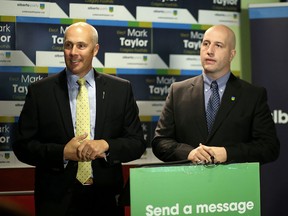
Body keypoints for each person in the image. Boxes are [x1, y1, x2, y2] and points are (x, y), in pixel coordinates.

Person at [12, 22, 146, 216]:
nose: (73, 52)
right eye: (68, 45)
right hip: (56, 202)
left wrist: (106, 145)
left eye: (81, 46)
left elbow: (136, 143)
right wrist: (62, 153)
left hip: (105, 201)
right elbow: (22, 146)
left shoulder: (120, 89)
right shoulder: (40, 92)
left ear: (95, 49)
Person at [152, 24, 279, 165]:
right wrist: (189, 153)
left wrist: (227, 153)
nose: (209, 51)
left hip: (232, 184)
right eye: (206, 44)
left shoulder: (252, 95)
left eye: (218, 45)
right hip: (187, 183)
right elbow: (160, 142)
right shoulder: (178, 91)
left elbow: (269, 147)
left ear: (232, 55)